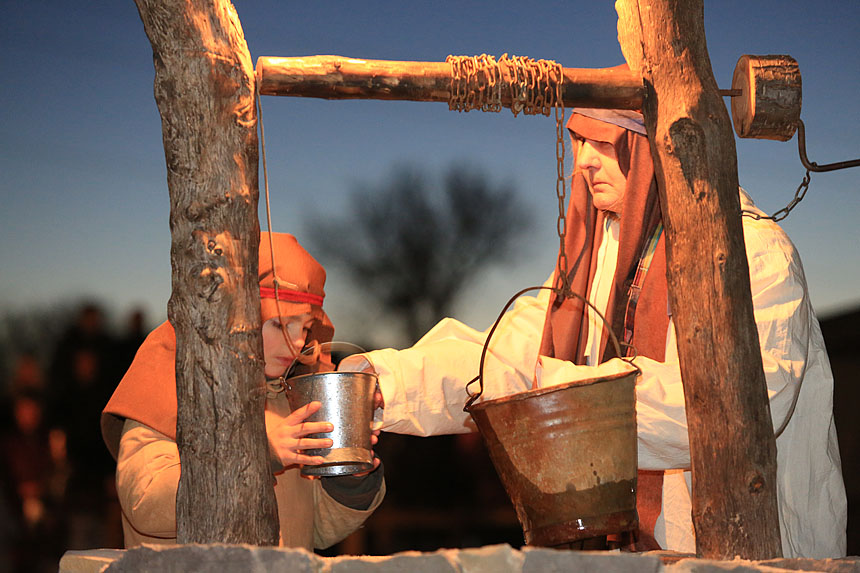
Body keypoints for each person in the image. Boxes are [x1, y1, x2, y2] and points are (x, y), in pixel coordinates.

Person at [340, 108, 847, 558]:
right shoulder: (599, 257)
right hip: (625, 556)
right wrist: (384, 381)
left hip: (745, 554)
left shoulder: (749, 252)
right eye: (578, 141)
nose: (582, 161)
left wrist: (555, 392)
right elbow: (505, 356)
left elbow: (740, 405)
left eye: (603, 143)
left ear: (655, 151)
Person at [102, 232, 385, 550]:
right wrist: (255, 452)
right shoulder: (173, 384)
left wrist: (348, 476)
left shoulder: (291, 399)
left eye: (305, 328)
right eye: (279, 325)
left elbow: (312, 530)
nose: (296, 344)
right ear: (233, 317)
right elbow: (145, 504)